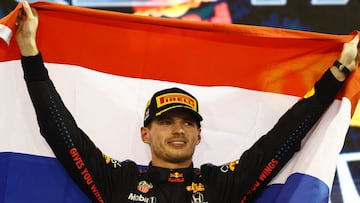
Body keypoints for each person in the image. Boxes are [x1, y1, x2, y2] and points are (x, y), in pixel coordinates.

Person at [15, 1, 360, 203]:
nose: (178, 129)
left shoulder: (221, 186)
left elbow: (283, 139)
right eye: (165, 121)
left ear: (199, 135)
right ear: (144, 134)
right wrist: (30, 52)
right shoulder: (117, 181)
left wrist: (339, 71)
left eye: (187, 122)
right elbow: (59, 130)